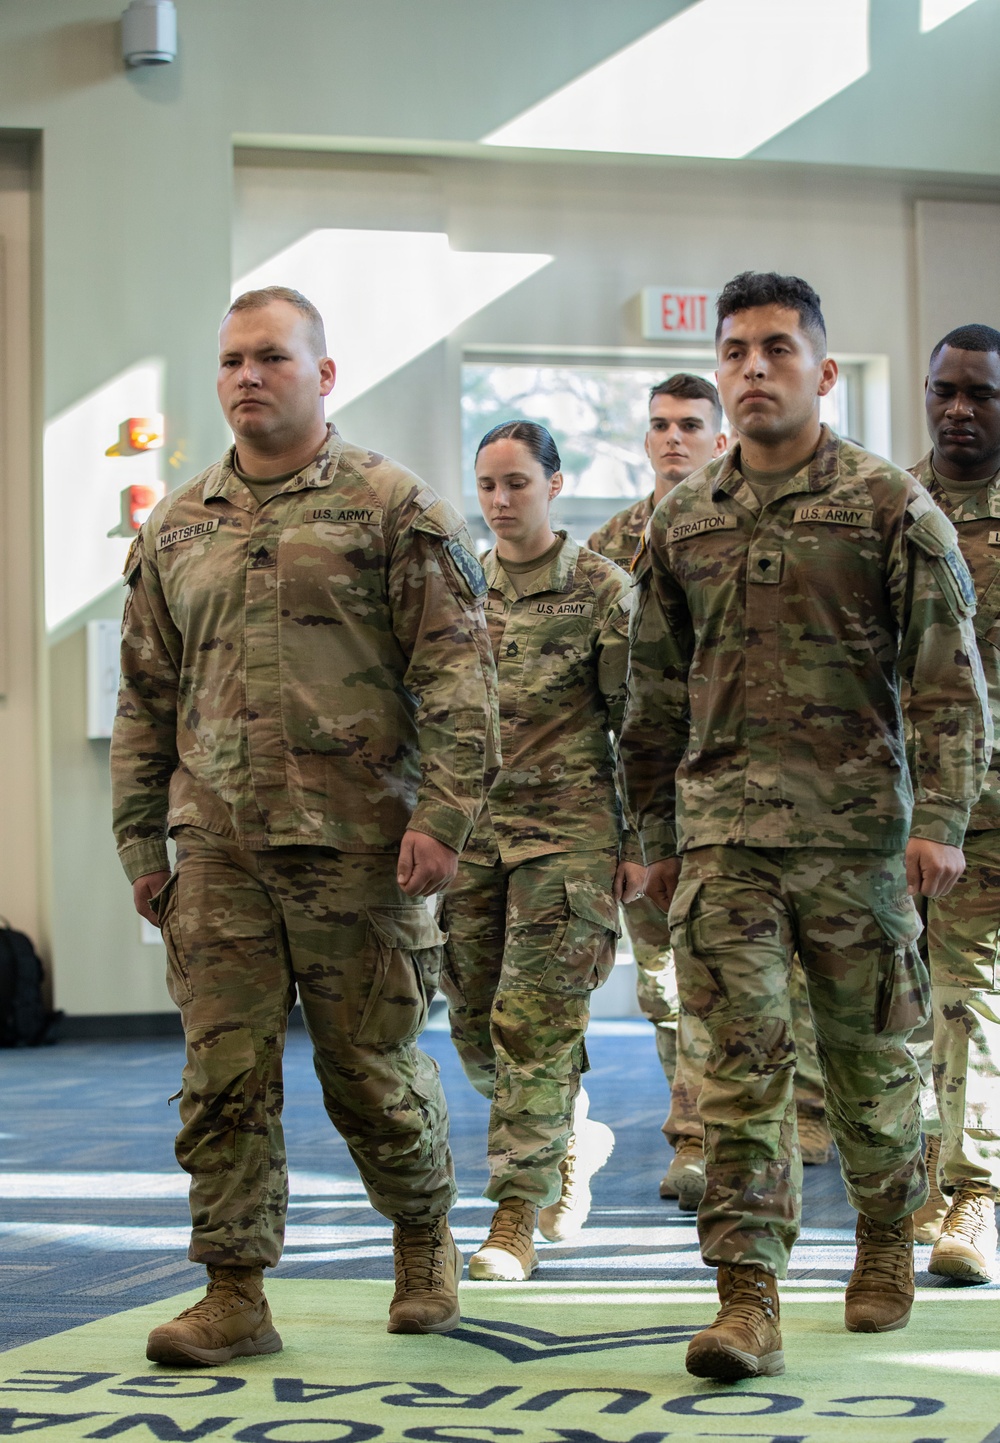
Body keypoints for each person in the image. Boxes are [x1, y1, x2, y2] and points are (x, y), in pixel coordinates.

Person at [111, 286, 498, 1364]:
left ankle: (421, 1237)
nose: (247, 376)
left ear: (323, 375)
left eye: (271, 357)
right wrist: (142, 841)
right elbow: (145, 696)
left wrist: (444, 817)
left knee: (368, 1073)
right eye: (232, 359)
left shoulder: (393, 507)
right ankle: (234, 1290)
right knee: (222, 1076)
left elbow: (461, 679)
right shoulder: (177, 525)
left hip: (361, 848)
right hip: (218, 847)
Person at [622, 270, 991, 1381]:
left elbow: (948, 681)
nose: (753, 369)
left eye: (777, 349)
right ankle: (747, 1297)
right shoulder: (681, 520)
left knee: (871, 1067)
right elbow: (650, 696)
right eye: (736, 351)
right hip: (725, 844)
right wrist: (653, 837)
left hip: (857, 843)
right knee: (737, 1075)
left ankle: (883, 1234)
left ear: (822, 373)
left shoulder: (889, 507)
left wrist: (940, 820)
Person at [588, 376, 833, 1207]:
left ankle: (787, 1117)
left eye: (690, 424)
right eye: (659, 424)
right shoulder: (610, 546)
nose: (673, 438)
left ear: (720, 436)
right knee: (668, 979)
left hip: (748, 788)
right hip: (653, 789)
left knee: (772, 970)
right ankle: (694, 1126)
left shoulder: (747, 523)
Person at [438, 420, 635, 1281]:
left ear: (554, 484)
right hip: (471, 840)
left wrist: (641, 841)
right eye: (487, 484)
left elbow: (639, 725)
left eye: (517, 482)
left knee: (534, 1023)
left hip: (568, 841)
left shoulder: (602, 590)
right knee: (474, 1024)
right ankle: (569, 1130)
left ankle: (513, 1215)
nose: (499, 500)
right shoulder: (455, 587)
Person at [905, 323, 1000, 1281]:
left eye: (980, 392)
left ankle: (974, 1191)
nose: (960, 409)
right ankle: (938, 1181)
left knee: (969, 994)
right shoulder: (891, 507)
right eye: (945, 391)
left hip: (994, 802)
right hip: (893, 807)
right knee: (909, 1001)